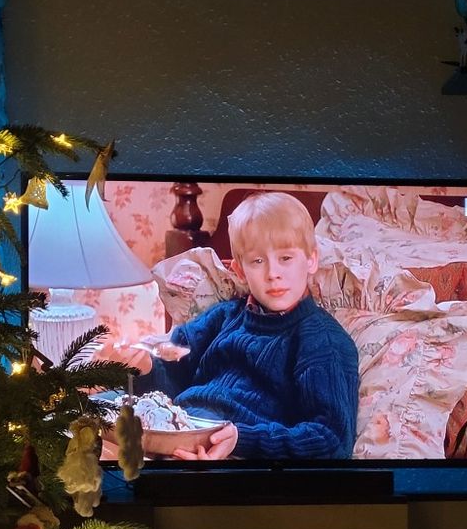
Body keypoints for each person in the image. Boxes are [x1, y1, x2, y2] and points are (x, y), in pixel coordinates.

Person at [132, 191, 359, 460]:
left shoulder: (323, 341)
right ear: (240, 270)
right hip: (179, 427)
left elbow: (331, 440)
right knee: (90, 412)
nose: (273, 273)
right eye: (258, 261)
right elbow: (172, 375)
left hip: (240, 452)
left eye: (286, 258)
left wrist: (242, 439)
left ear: (311, 259)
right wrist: (145, 368)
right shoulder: (224, 316)